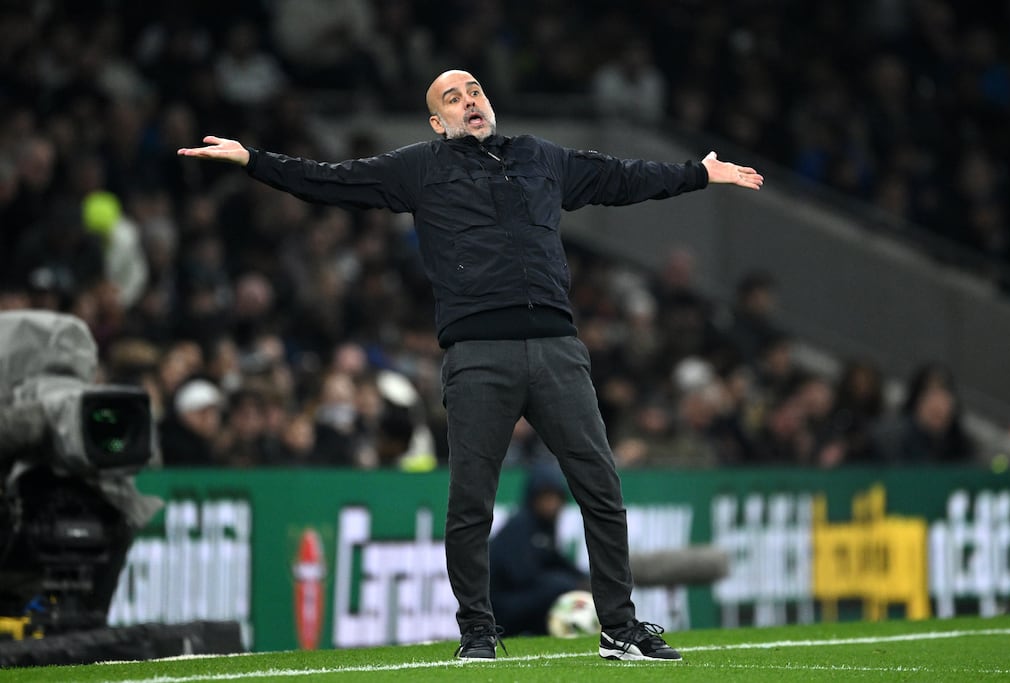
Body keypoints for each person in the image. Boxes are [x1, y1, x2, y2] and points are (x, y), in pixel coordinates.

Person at [178, 69, 763, 661]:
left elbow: (620, 176)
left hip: (558, 346)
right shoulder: (419, 167)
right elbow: (332, 181)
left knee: (602, 490)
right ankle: (478, 632)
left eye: (474, 92)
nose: (469, 102)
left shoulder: (541, 157)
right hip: (478, 355)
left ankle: (619, 627)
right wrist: (253, 160)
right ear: (438, 123)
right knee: (471, 502)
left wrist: (700, 173)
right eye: (452, 100)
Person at [489, 463, 589, 636]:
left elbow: (555, 559)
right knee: (560, 587)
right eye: (546, 497)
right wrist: (568, 583)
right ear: (533, 498)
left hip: (523, 597)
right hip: (501, 605)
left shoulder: (545, 527)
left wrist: (585, 580)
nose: (552, 504)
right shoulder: (520, 526)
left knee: (568, 584)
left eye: (556, 498)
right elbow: (519, 575)